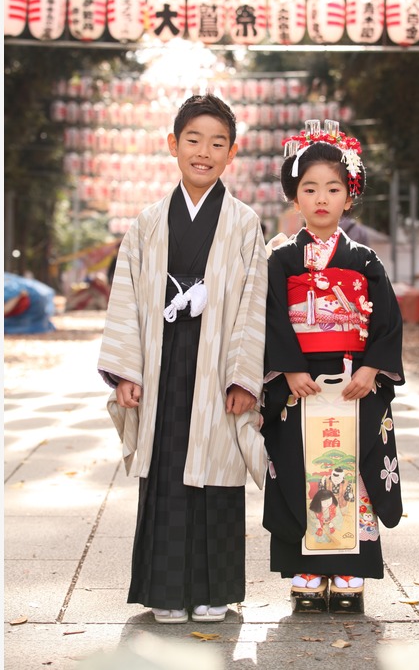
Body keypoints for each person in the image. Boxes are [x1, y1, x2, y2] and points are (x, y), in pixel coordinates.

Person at [97, 94, 268, 625]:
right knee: (168, 468)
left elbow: (254, 302)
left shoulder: (244, 223)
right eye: (193, 140)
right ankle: (166, 590)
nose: (203, 152)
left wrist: (244, 377)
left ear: (232, 153)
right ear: (173, 145)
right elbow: (125, 297)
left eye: (217, 143)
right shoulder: (149, 222)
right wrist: (127, 371)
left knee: (217, 470)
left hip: (218, 364)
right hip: (164, 361)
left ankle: (215, 590)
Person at [260, 120, 405, 611]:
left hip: (352, 383)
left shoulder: (364, 260)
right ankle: (305, 567)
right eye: (309, 189)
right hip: (298, 384)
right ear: (294, 197)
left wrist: (371, 370)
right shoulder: (281, 260)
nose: (321, 198)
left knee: (350, 470)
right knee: (300, 467)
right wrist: (289, 369)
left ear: (349, 195)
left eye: (333, 188)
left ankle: (350, 567)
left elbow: (387, 322)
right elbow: (272, 317)